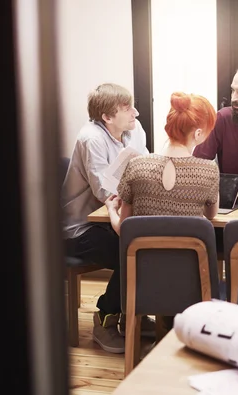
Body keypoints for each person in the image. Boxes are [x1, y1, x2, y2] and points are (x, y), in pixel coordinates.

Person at [106, 92, 220, 331]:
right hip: (193, 283)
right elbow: (210, 216)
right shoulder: (209, 170)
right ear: (198, 134)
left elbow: (124, 230)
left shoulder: (137, 166)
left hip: (142, 283)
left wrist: (110, 209)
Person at [62, 83, 153, 354]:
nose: (135, 112)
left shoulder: (134, 131)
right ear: (107, 117)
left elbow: (147, 167)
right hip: (79, 229)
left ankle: (133, 315)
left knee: (150, 248)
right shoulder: (91, 138)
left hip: (111, 221)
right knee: (132, 254)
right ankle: (105, 320)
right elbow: (106, 192)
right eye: (127, 108)